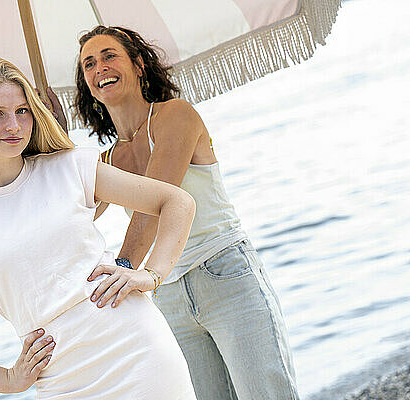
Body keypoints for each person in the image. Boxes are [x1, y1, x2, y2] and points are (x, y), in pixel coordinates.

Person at [0, 56, 198, 399]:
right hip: (61, 379)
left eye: (22, 110)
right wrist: (7, 380)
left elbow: (177, 203)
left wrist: (151, 274)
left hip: (138, 351)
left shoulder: (69, 167)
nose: (13, 125)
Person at [71, 26, 300, 400]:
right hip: (169, 294)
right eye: (89, 64)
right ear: (87, 84)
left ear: (139, 64)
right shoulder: (108, 160)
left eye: (109, 56)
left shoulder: (175, 115)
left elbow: (157, 206)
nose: (100, 68)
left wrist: (124, 269)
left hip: (224, 273)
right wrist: (44, 143)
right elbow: (67, 214)